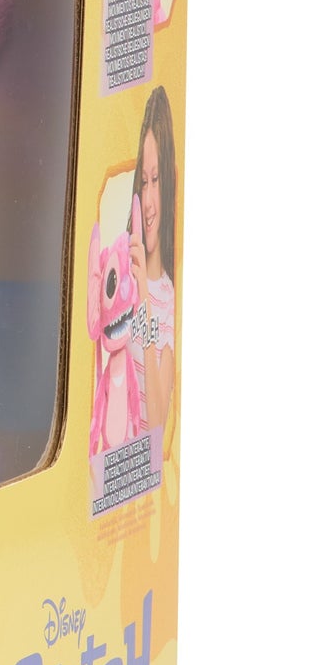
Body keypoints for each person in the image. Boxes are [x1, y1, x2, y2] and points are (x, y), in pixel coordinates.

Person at [129, 86, 178, 437]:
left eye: (156, 180)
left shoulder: (169, 298)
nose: (148, 200)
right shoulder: (125, 273)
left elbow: (158, 423)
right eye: (143, 182)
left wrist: (144, 294)